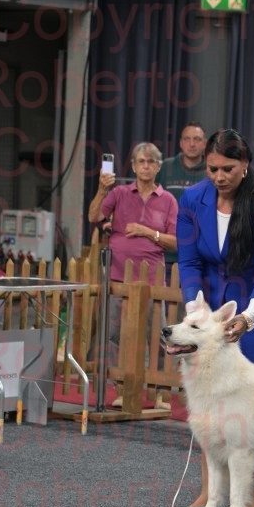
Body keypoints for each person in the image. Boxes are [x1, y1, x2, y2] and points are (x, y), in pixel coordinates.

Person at [176, 128, 254, 507]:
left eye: (227, 169)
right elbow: (189, 261)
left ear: (245, 165)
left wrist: (250, 315)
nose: (219, 176)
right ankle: (210, 494)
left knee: (253, 409)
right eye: (212, 169)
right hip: (211, 312)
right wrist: (195, 307)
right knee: (209, 408)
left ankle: (250, 497)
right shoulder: (192, 199)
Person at [88, 142, 178, 384]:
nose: (146, 166)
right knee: (112, 334)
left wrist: (147, 232)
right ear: (134, 167)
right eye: (141, 162)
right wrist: (101, 189)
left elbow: (176, 242)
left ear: (158, 167)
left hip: (152, 281)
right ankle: (111, 386)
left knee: (158, 337)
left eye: (151, 162)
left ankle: (159, 387)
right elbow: (94, 216)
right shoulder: (119, 193)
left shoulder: (168, 200)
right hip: (118, 277)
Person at [156, 122, 207, 283]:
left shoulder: (212, 170)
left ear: (205, 143)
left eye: (197, 139)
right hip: (166, 256)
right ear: (180, 143)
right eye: (187, 139)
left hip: (200, 257)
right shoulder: (166, 167)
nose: (192, 144)